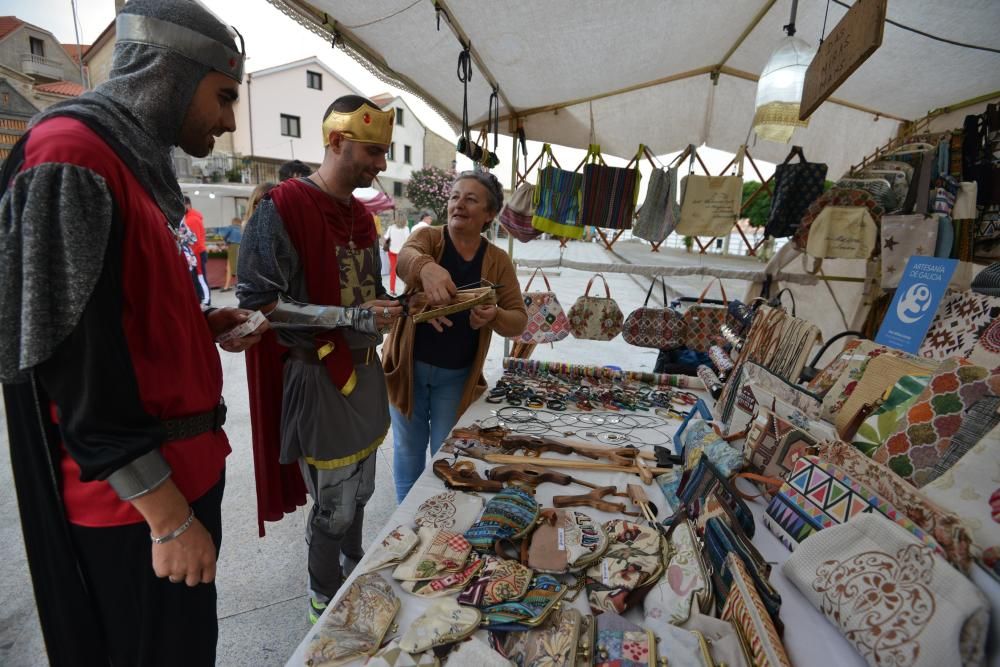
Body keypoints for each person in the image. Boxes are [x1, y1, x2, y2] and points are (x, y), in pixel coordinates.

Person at [0, 1, 266, 665]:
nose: (230, 120)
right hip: (136, 511)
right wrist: (168, 517)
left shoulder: (127, 163)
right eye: (224, 95)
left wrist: (199, 327)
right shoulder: (74, 154)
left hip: (176, 484)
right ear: (168, 73)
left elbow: (117, 318)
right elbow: (72, 357)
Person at [238, 95, 402, 623]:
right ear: (336, 142)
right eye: (373, 151)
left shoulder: (362, 218)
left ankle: (354, 570)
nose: (381, 165)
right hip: (318, 375)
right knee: (333, 503)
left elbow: (370, 293)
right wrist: (349, 318)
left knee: (364, 490)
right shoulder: (282, 207)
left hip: (365, 373)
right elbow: (261, 302)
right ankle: (323, 596)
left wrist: (404, 308)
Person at [383, 172, 527, 502]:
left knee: (446, 453)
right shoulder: (429, 238)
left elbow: (518, 319)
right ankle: (405, 518)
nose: (458, 204)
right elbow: (405, 259)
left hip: (457, 377)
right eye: (454, 196)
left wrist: (494, 316)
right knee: (407, 448)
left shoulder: (498, 261)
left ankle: (437, 513)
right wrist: (426, 269)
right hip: (409, 369)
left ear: (489, 215)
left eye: (471, 199)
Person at [184, 195, 210, 304]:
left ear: (187, 205)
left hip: (197, 253)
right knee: (201, 278)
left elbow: (195, 241)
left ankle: (205, 301)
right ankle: (205, 300)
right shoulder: (193, 217)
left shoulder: (191, 219)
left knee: (200, 278)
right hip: (198, 252)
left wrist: (192, 256)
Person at [383, 216, 410, 293]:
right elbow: (408, 240)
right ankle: (406, 289)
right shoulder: (406, 228)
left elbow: (386, 237)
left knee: (393, 271)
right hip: (402, 253)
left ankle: (392, 289)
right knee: (405, 271)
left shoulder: (391, 227)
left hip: (392, 252)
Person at [219, 216, 243, 291]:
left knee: (233, 266)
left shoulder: (231, 227)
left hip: (233, 247)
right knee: (232, 266)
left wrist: (226, 242)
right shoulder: (242, 228)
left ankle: (230, 285)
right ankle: (227, 285)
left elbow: (223, 235)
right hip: (241, 247)